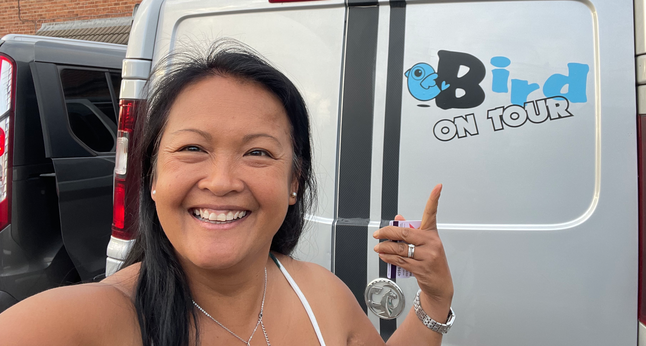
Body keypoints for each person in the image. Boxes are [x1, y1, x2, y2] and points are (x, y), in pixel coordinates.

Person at [0, 41, 454, 346]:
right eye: (192, 149)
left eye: (258, 152)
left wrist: (435, 300)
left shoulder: (322, 297)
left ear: (294, 182)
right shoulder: (84, 323)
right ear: (152, 176)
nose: (221, 182)